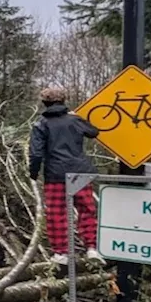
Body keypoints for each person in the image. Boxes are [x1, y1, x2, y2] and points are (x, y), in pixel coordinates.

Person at [29, 85, 102, 264]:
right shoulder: (74, 120)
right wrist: (77, 117)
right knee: (87, 210)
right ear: (63, 101)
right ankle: (91, 248)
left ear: (44, 103)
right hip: (80, 172)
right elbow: (94, 132)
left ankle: (61, 253)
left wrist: (34, 173)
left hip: (56, 174)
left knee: (56, 213)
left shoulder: (41, 124)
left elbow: (36, 153)